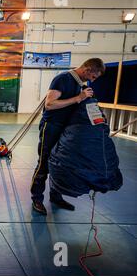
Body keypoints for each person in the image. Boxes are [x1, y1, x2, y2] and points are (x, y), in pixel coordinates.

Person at [30, 58, 105, 215]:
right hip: (51, 127)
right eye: (93, 77)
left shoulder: (80, 84)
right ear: (87, 70)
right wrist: (78, 98)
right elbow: (49, 104)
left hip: (67, 130)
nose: (93, 80)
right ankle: (37, 198)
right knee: (44, 163)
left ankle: (55, 196)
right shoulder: (63, 79)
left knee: (60, 163)